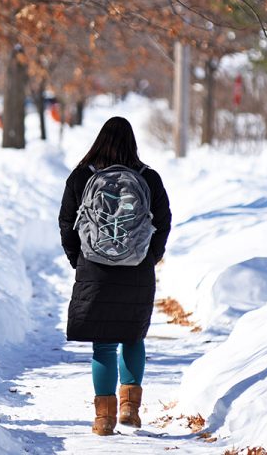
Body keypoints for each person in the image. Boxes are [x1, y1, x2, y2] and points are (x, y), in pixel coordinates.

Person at [58, 116, 172, 436]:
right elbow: (162, 223)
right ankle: (130, 409)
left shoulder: (82, 177)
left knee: (104, 344)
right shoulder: (148, 178)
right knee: (132, 338)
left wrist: (77, 260)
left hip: (94, 267)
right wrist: (151, 257)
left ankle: (104, 418)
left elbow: (67, 223)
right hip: (137, 268)